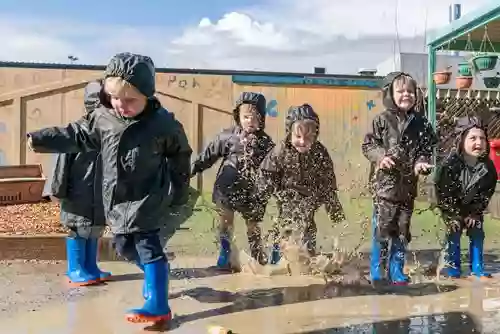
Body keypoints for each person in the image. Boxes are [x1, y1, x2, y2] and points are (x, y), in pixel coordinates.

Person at [27, 52, 192, 324]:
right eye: (115, 98)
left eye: (130, 100)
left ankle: (158, 303)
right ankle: (157, 274)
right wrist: (42, 138)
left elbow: (180, 155)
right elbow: (77, 135)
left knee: (147, 245)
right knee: (124, 247)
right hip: (116, 199)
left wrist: (179, 188)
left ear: (148, 96)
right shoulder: (103, 118)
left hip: (147, 196)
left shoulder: (163, 124)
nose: (121, 106)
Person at [361, 72, 436, 286]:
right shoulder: (381, 121)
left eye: (410, 91)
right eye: (401, 91)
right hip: (384, 188)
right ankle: (377, 268)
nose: (406, 94)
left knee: (402, 230)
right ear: (390, 95)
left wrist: (421, 163)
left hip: (407, 188)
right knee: (382, 229)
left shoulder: (421, 123)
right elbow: (368, 145)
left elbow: (425, 148)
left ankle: (396, 269)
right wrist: (380, 157)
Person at [191, 92, 275, 270]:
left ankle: (257, 254)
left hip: (252, 193)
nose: (250, 122)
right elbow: (208, 156)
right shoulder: (227, 136)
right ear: (238, 116)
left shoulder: (266, 143)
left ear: (262, 119)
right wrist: (191, 169)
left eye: (255, 118)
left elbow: (275, 166)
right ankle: (225, 252)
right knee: (225, 222)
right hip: (226, 189)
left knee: (253, 226)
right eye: (245, 117)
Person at [257, 103, 345, 264]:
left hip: (311, 196)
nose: (303, 142)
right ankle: (277, 260)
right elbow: (266, 173)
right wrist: (262, 197)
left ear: (315, 136)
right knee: (285, 226)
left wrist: (335, 212)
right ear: (289, 133)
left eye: (308, 137)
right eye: (298, 137)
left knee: (308, 227)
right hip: (286, 195)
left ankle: (307, 259)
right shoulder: (281, 151)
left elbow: (328, 184)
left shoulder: (320, 153)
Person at [47, 81, 110, 287]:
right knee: (78, 229)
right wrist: (58, 190)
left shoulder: (107, 134)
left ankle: (90, 266)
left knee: (94, 230)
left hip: (98, 195)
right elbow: (60, 166)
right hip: (78, 194)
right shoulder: (76, 132)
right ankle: (75, 269)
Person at [435, 116, 497, 280]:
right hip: (451, 206)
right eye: (473, 138)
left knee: (477, 231)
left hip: (473, 207)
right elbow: (443, 193)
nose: (478, 143)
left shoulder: (488, 167)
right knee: (453, 231)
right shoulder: (450, 165)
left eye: (482, 138)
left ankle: (477, 267)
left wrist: (475, 213)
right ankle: (452, 267)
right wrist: (452, 215)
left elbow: (486, 192)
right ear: (461, 141)